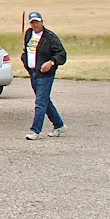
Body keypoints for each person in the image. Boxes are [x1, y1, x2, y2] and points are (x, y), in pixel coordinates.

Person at [21, 11, 67, 140]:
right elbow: (26, 50)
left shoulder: (50, 37)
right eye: (32, 22)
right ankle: (59, 125)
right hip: (33, 73)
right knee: (45, 100)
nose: (35, 24)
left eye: (37, 21)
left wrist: (51, 62)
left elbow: (61, 54)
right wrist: (25, 61)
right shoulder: (29, 34)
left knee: (40, 102)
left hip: (45, 75)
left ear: (42, 22)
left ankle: (35, 130)